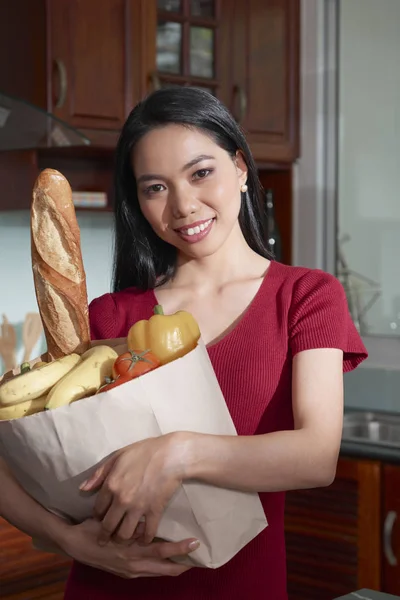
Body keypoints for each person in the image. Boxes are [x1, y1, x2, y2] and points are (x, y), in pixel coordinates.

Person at [0, 87, 367, 600]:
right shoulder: (111, 314)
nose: (183, 205)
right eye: (155, 187)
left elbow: (315, 456)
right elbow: (18, 453)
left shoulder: (305, 296)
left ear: (240, 168)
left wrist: (178, 453)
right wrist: (70, 541)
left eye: (200, 173)